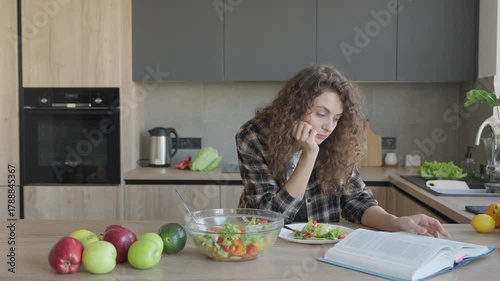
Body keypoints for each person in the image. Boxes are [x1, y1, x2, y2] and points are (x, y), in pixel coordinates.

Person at [235, 64, 450, 238]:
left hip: (319, 249)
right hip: (263, 246)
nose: (329, 127)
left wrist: (395, 222)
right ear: (295, 108)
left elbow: (356, 200)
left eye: (336, 118)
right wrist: (309, 155)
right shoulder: (253, 136)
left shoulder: (337, 140)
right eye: (321, 114)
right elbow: (270, 218)